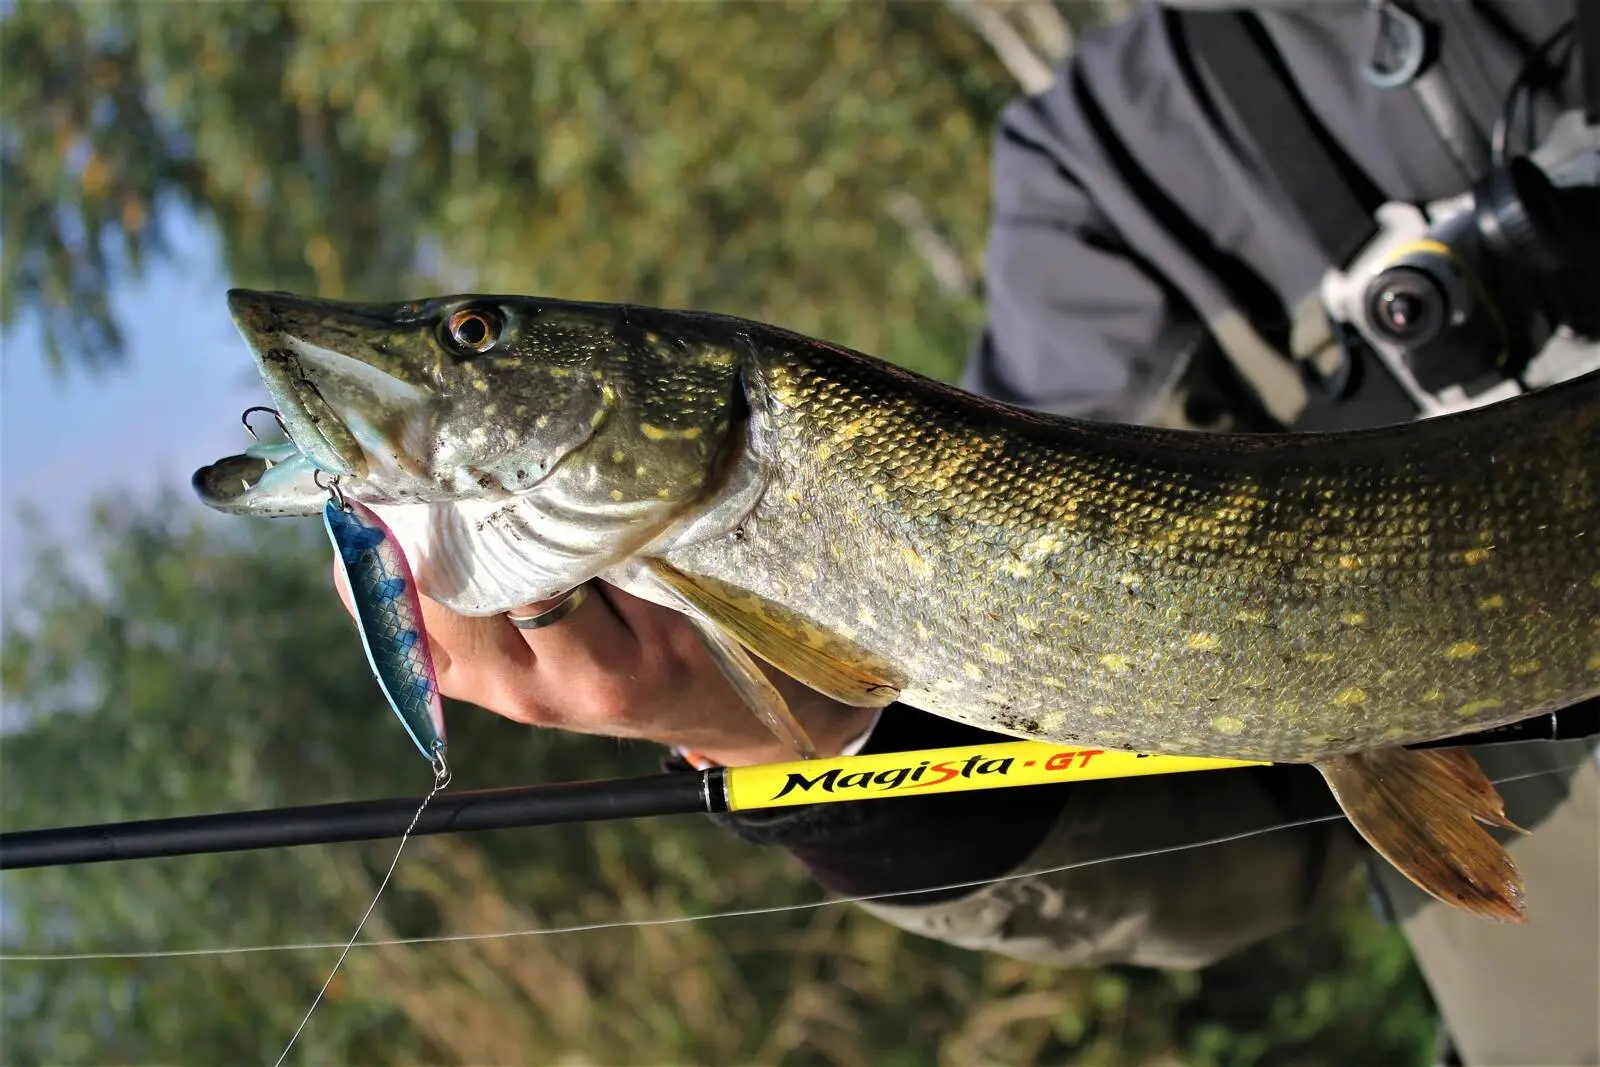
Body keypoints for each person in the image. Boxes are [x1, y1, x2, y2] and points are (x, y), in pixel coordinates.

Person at [335, 3, 1598, 1064]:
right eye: (471, 340)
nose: (452, 364)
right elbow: (1228, 837)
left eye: (474, 340)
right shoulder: (1099, 175)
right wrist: (812, 744)